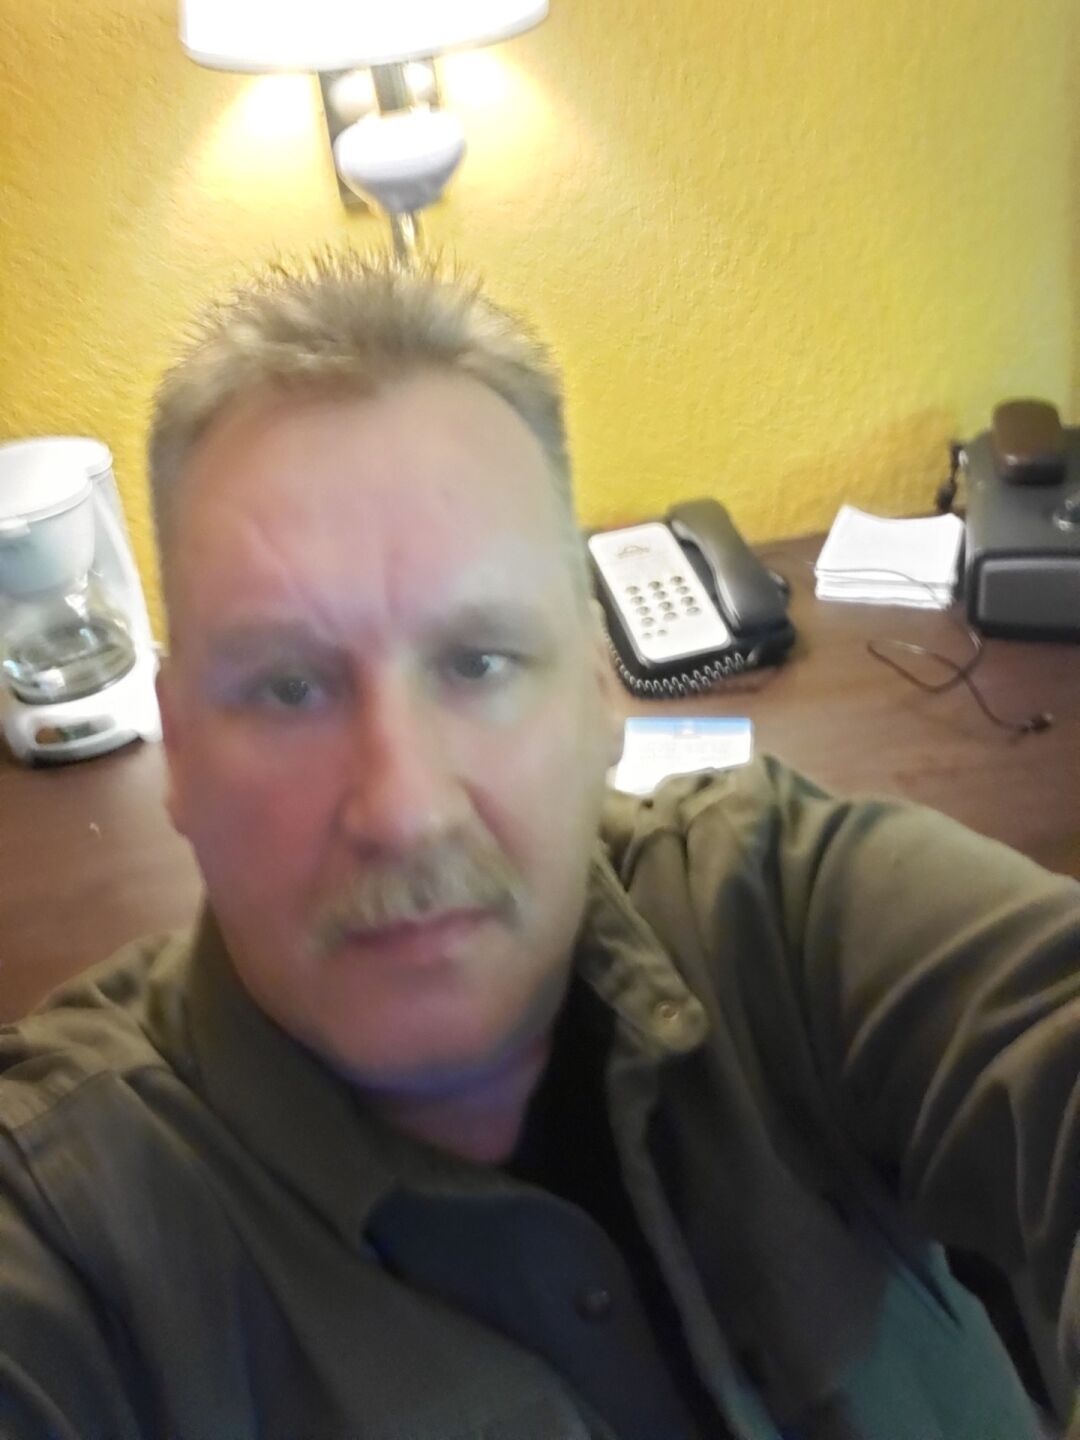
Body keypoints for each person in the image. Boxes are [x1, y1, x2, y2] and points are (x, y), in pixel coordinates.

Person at [0, 252, 1077, 1440]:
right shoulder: (71, 1223)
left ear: (599, 693)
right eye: (290, 686)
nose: (406, 810)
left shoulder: (779, 907)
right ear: (181, 747)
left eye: (478, 662)